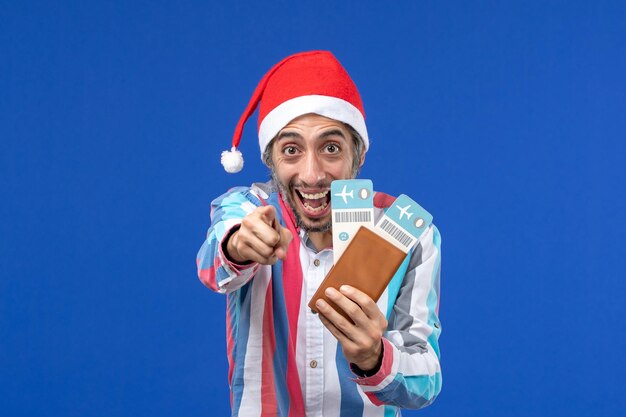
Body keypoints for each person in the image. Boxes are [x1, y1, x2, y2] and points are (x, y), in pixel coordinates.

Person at [197, 50, 442, 417]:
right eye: (291, 150)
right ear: (270, 160)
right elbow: (214, 262)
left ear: (357, 155)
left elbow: (427, 381)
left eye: (330, 148)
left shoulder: (409, 235)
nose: (312, 175)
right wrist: (238, 244)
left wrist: (374, 359)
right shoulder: (245, 209)